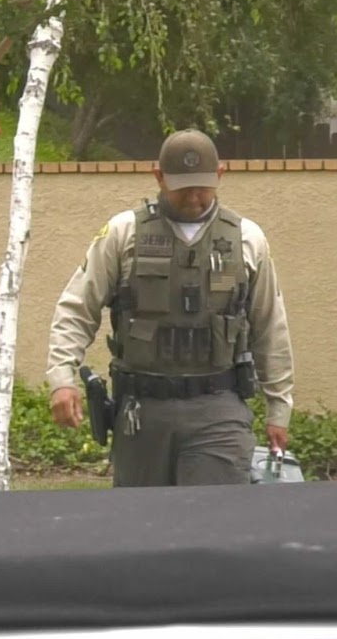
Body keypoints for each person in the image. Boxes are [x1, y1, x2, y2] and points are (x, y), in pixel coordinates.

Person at [46, 128, 293, 486]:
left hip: (218, 411)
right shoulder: (123, 233)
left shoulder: (247, 239)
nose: (193, 197)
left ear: (220, 174)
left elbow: (270, 325)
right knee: (143, 519)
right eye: (182, 187)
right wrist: (61, 379)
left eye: (203, 186)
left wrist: (279, 408)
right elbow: (76, 309)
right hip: (143, 413)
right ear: (158, 176)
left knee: (215, 516)